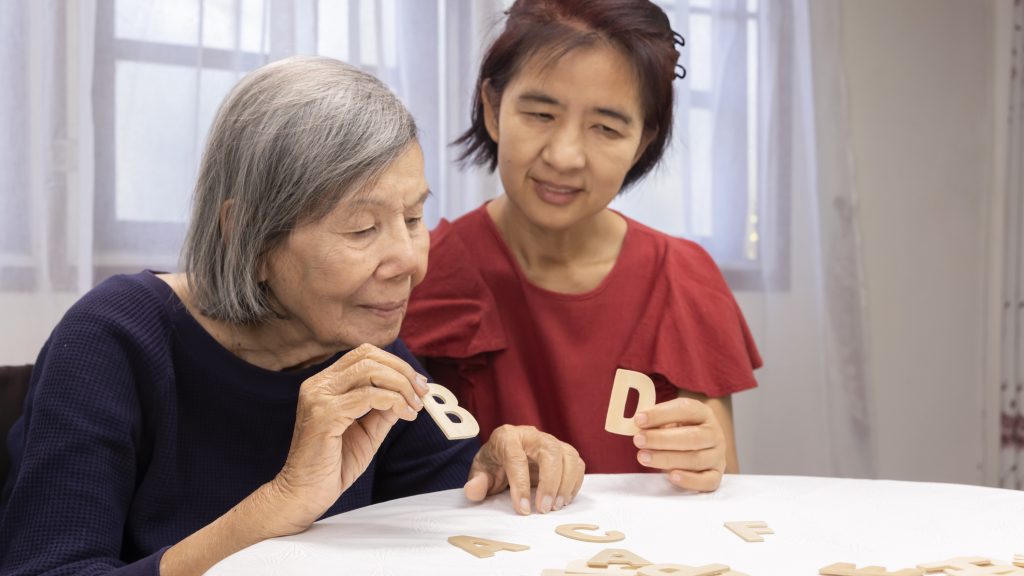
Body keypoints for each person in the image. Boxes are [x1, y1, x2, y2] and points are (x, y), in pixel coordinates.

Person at [0, 56, 584, 576]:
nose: (408, 260)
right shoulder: (113, 340)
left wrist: (497, 470)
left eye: (412, 218)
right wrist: (280, 502)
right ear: (246, 237)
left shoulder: (369, 349)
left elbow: (450, 525)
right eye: (361, 229)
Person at [401, 0, 761, 498]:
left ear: (642, 142)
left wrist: (705, 458)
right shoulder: (418, 271)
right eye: (541, 113)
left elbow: (718, 486)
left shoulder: (684, 278)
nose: (565, 156)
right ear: (493, 106)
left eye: (606, 128)